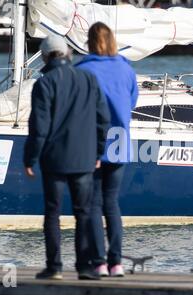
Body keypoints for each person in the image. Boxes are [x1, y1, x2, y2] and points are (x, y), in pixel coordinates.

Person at [24, 34, 110, 280]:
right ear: (67, 54)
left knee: (53, 212)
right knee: (82, 212)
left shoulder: (45, 83)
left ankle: (55, 267)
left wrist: (30, 158)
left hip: (54, 159)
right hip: (84, 159)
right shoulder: (88, 79)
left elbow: (39, 126)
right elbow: (103, 120)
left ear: (46, 56)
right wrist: (98, 152)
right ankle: (84, 267)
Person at [76, 22, 138, 277]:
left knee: (92, 204)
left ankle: (99, 262)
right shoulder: (126, 67)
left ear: (90, 42)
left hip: (92, 144)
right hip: (120, 141)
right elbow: (133, 100)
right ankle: (117, 263)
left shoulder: (83, 68)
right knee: (111, 204)